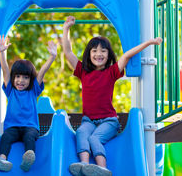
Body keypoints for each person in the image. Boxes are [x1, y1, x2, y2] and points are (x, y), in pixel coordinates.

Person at [62, 16, 162, 176]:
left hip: (109, 121)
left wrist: (149, 42)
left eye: (103, 51)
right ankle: (84, 164)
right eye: (94, 51)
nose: (98, 54)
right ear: (89, 54)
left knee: (95, 139)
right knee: (81, 132)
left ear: (109, 55)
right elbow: (68, 52)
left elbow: (127, 55)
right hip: (89, 120)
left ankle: (103, 169)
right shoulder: (83, 72)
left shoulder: (111, 72)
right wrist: (66, 28)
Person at [0, 34, 57, 172]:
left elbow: (42, 72)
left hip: (30, 127)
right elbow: (5, 69)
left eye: (25, 77)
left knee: (30, 137)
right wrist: (2, 52)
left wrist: (52, 57)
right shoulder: (10, 90)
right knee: (6, 137)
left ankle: (28, 157)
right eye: (18, 76)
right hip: (12, 127)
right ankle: (2, 159)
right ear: (13, 78)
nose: (21, 80)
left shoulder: (33, 91)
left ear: (31, 80)